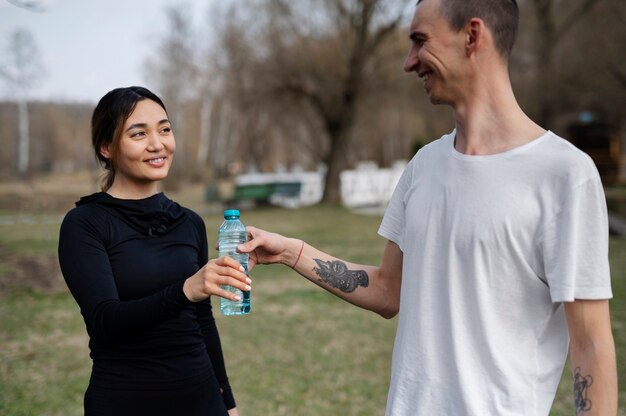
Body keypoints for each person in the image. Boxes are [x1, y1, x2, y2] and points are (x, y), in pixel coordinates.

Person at [238, 0, 618, 414]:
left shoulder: (564, 174)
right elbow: (387, 290)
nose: (409, 62)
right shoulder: (423, 166)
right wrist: (293, 252)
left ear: (473, 36)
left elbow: (591, 344)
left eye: (420, 42)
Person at [58, 86, 250, 416]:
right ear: (107, 148)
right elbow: (105, 320)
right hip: (125, 401)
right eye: (138, 134)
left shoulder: (190, 222)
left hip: (202, 399)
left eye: (164, 129)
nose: (157, 144)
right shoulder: (84, 224)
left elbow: (202, 321)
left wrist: (227, 401)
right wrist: (186, 289)